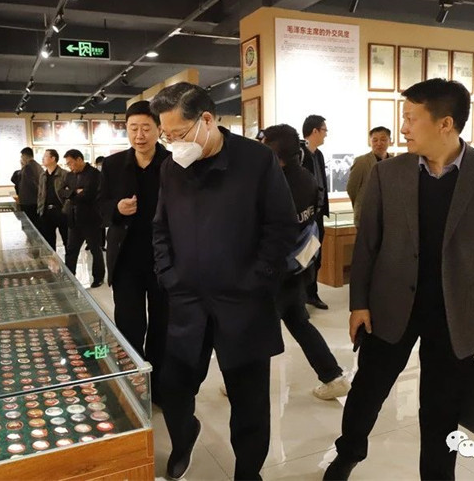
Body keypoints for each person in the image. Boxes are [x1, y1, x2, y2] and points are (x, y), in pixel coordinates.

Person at [324, 78, 474, 481]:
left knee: (442, 408)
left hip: (455, 313)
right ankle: (348, 454)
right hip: (390, 306)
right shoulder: (388, 174)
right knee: (367, 393)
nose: (403, 128)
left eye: (411, 119)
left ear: (445, 123)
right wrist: (358, 303)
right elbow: (368, 245)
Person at [151, 83, 297, 481]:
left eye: (178, 134)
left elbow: (281, 225)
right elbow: (161, 227)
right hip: (187, 299)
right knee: (174, 386)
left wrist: (257, 279)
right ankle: (184, 439)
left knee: (249, 401)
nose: (172, 143)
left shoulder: (256, 159)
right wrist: (168, 275)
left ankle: (248, 473)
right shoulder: (171, 167)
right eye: (166, 136)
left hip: (243, 302)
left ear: (207, 120)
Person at [261, 124, 351, 400]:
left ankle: (242, 384)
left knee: (258, 331)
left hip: (273, 271)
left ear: (274, 153)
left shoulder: (273, 186)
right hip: (298, 267)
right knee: (299, 322)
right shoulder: (306, 178)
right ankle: (332, 376)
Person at [99, 101, 170, 403]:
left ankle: (160, 387)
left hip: (165, 259)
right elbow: (100, 207)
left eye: (146, 128)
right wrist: (116, 208)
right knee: (129, 325)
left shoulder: (173, 163)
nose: (139, 135)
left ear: (159, 129)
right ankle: (134, 384)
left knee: (163, 325)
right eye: (133, 128)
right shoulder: (113, 165)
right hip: (126, 259)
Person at [59, 149, 105, 288]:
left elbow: (88, 194)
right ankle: (69, 277)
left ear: (79, 159)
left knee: (95, 250)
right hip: (73, 218)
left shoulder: (94, 174)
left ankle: (98, 277)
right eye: (67, 164)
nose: (69, 166)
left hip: (90, 219)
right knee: (71, 250)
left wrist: (71, 193)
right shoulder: (69, 175)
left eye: (71, 163)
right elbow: (61, 191)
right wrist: (75, 192)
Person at [301, 115, 330, 310]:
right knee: (303, 257)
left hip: (318, 214)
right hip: (306, 215)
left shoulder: (318, 154)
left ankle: (312, 293)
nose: (326, 134)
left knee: (316, 256)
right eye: (324, 130)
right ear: (315, 131)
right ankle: (300, 297)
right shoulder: (300, 154)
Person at [346, 126, 392, 227]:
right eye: (375, 140)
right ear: (370, 142)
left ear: (390, 141)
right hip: (366, 216)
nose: (379, 143)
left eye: (383, 139)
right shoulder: (361, 162)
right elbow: (352, 189)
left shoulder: (394, 162)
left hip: (388, 217)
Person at [36, 149, 69, 250]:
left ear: (53, 158)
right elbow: (40, 194)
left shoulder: (64, 174)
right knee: (49, 243)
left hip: (61, 212)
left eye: (45, 156)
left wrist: (66, 209)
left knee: (67, 241)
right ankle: (53, 260)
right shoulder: (42, 175)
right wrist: (40, 210)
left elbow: (69, 194)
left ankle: (69, 260)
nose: (43, 158)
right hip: (46, 212)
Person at [18, 147, 43, 224]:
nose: (21, 159)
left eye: (21, 156)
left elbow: (32, 184)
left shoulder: (28, 167)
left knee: (29, 225)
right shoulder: (38, 166)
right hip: (35, 201)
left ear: (24, 156)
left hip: (28, 202)